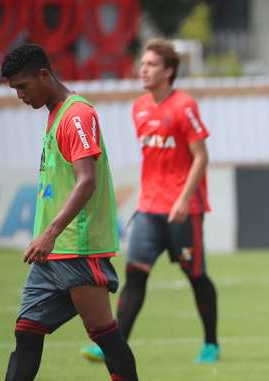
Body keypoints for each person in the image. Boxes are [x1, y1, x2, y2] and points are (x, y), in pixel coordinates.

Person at [0, 44, 155, 381]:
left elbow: (87, 181)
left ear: (45, 75)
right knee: (27, 332)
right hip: (54, 253)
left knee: (104, 333)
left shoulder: (76, 114)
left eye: (24, 86)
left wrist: (50, 231)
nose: (20, 95)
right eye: (14, 89)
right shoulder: (54, 117)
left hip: (77, 246)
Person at [80, 38, 219, 364]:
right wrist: (144, 203)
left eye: (152, 64)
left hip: (184, 211)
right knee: (135, 274)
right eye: (142, 64)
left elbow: (201, 157)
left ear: (169, 71)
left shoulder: (184, 106)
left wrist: (184, 199)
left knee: (196, 276)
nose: (143, 69)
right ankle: (112, 346)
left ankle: (210, 343)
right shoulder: (139, 107)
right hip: (149, 208)